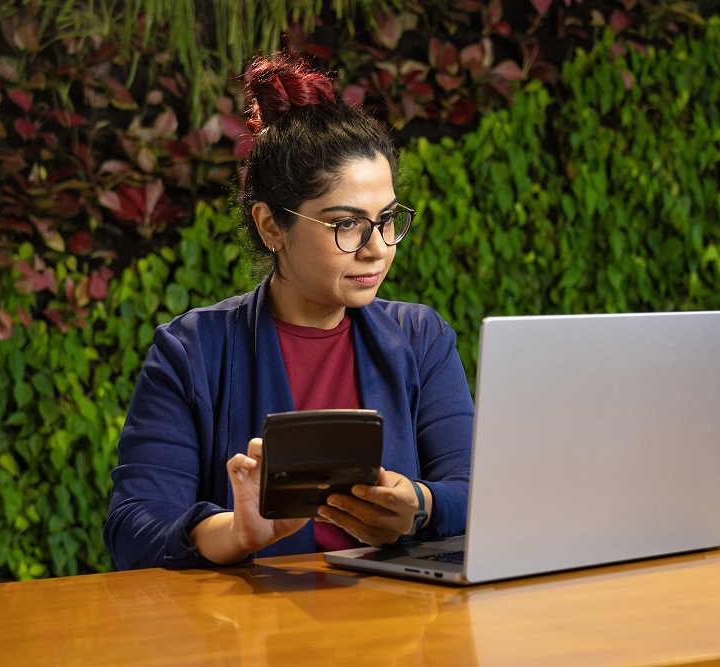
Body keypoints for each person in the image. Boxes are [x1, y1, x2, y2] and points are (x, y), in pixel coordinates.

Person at [103, 53, 474, 570]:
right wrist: (235, 532)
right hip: (256, 637)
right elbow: (133, 526)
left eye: (387, 219)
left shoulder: (421, 338)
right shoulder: (192, 351)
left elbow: (476, 491)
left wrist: (420, 507)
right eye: (347, 224)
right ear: (271, 226)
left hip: (398, 630)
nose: (378, 248)